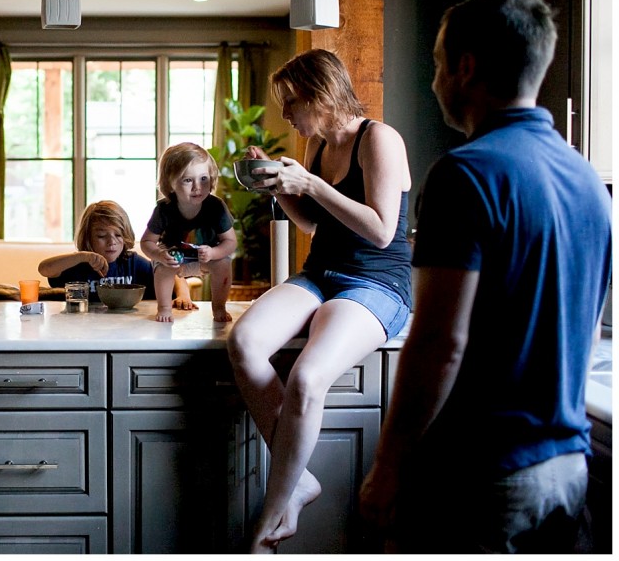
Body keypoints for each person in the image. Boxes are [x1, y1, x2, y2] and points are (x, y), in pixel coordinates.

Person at [357, 0, 613, 553]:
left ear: (465, 68)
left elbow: (438, 343)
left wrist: (388, 464)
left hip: (487, 474)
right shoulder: (589, 181)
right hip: (569, 469)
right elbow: (588, 330)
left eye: (436, 65)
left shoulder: (465, 174)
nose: (433, 82)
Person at [225, 48, 413, 552]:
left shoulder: (380, 140)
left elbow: (380, 230)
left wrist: (308, 182)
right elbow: (313, 224)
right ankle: (301, 479)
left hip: (376, 282)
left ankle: (273, 509)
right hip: (322, 273)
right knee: (243, 341)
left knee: (307, 378)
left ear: (320, 94)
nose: (286, 115)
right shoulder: (317, 149)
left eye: (290, 103)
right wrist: (279, 187)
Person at [140, 142, 237, 323]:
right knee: (163, 270)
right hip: (174, 257)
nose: (197, 187)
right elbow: (146, 242)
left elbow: (231, 242)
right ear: (170, 184)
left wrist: (213, 252)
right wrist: (160, 254)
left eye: (203, 179)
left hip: (205, 256)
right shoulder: (164, 209)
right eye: (187, 180)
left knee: (223, 264)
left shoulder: (216, 207)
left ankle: (219, 307)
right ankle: (164, 308)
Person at [39, 200, 197, 308]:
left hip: (126, 328)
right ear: (88, 238)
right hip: (85, 330)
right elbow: (44, 269)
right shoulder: (79, 265)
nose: (111, 242)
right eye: (101, 236)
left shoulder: (132, 262)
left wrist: (183, 296)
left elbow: (172, 274)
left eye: (118, 235)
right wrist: (81, 256)